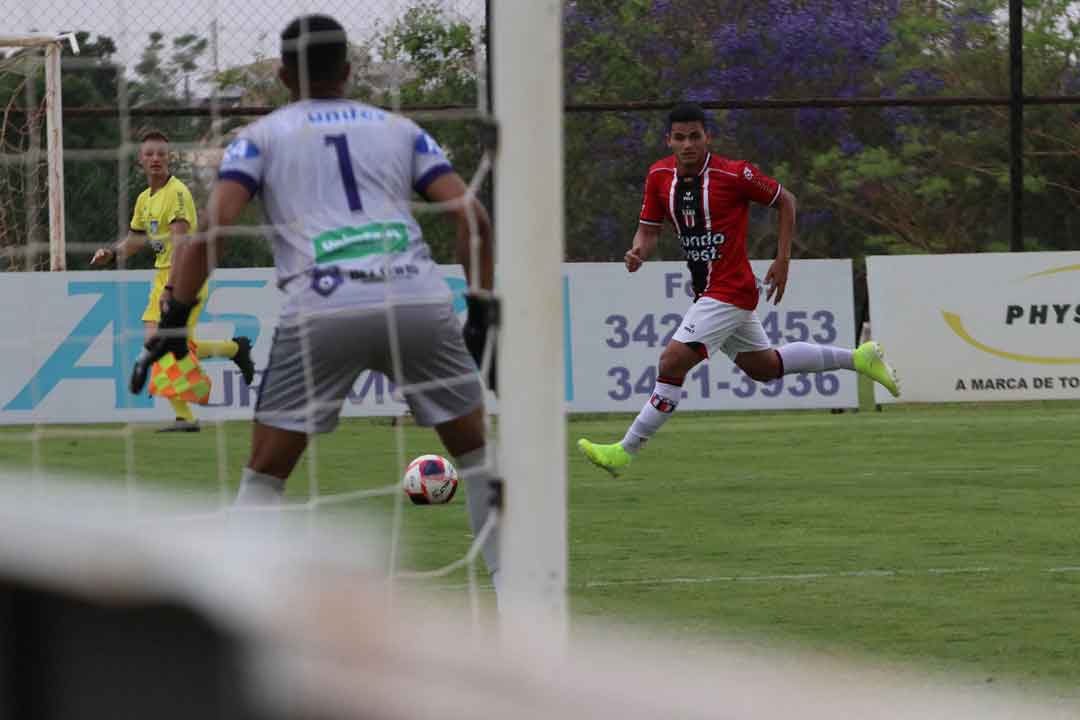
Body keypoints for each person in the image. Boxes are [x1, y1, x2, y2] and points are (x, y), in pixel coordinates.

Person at [130, 15, 501, 588]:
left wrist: (175, 319)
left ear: (282, 75)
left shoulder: (259, 137)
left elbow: (211, 233)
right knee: (477, 460)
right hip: (417, 299)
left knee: (265, 476)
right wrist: (478, 313)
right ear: (349, 71)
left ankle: (239, 620)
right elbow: (470, 217)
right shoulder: (398, 129)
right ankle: (521, 610)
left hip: (323, 307)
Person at [577, 102, 900, 476]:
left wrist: (782, 260)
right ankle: (859, 358)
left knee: (671, 362)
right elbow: (649, 231)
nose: (687, 145)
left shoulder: (735, 174)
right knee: (764, 367)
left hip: (729, 289)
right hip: (709, 290)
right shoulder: (658, 177)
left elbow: (786, 200)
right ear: (669, 140)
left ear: (707, 137)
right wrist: (638, 252)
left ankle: (625, 450)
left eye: (694, 136)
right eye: (679, 138)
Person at [91, 129, 255, 432]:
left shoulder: (177, 193)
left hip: (184, 277)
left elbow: (181, 246)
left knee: (160, 342)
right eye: (149, 154)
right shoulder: (144, 199)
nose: (155, 159)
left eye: (161, 154)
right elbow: (135, 241)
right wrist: (111, 255)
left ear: (169, 159)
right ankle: (234, 350)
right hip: (162, 275)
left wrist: (172, 290)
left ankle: (187, 417)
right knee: (169, 342)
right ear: (140, 159)